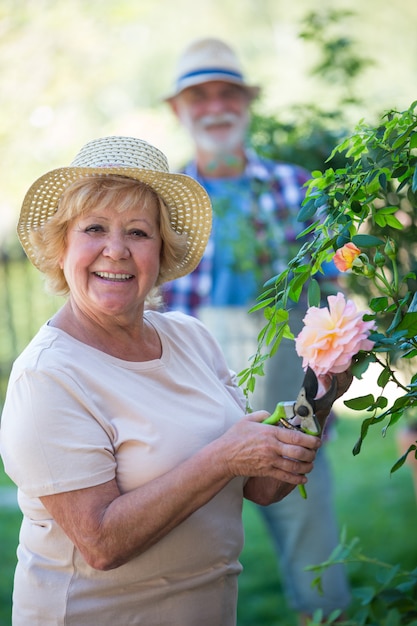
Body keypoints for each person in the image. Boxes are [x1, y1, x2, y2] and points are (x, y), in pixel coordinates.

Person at [0, 135, 351, 626]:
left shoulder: (190, 338)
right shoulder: (49, 376)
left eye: (139, 232)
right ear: (61, 246)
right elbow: (100, 543)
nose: (116, 250)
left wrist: (323, 389)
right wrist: (222, 457)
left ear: (162, 251)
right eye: (94, 228)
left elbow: (261, 485)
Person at [162, 37, 351, 624]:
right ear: (179, 110)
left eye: (227, 94)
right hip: (189, 398)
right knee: (182, 567)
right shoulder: (163, 200)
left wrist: (324, 390)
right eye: (200, 97)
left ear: (246, 103)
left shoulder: (298, 187)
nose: (215, 107)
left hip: (283, 392)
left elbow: (334, 300)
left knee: (316, 561)